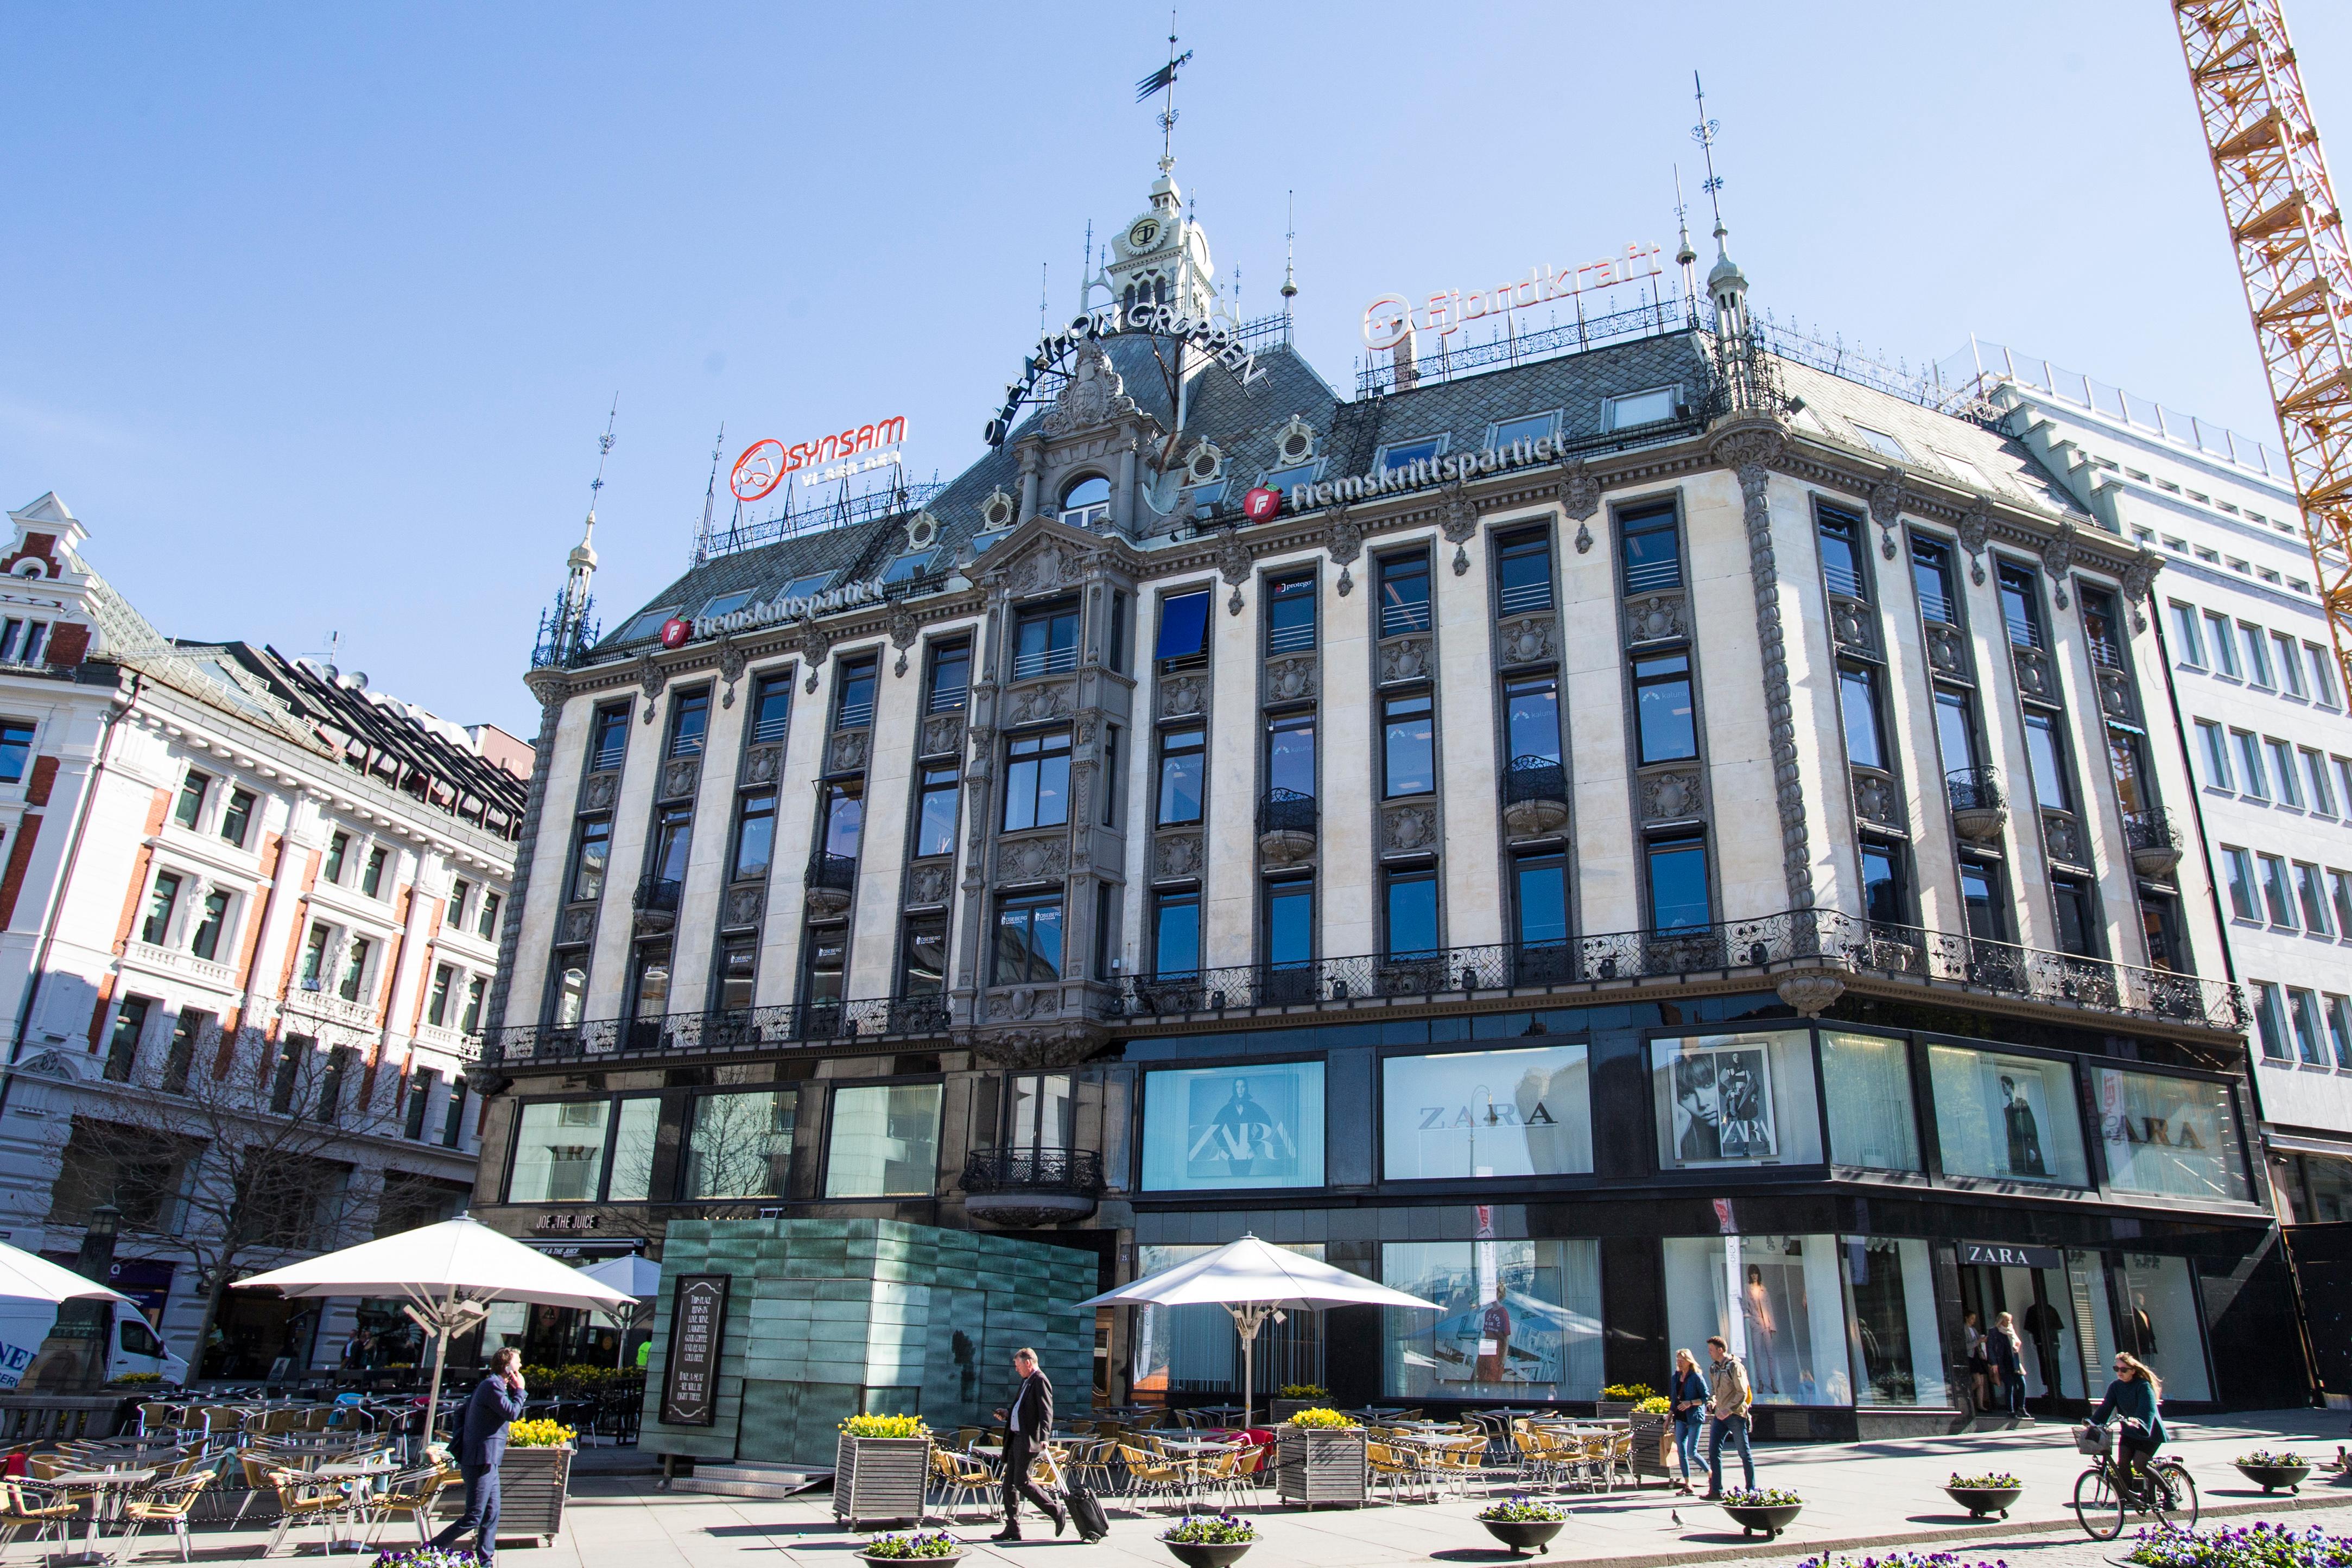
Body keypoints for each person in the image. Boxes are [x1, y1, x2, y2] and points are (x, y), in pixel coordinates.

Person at [434, 1347, 527, 1566]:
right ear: (507, 1366)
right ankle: (431, 1548)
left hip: (487, 1459)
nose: (521, 1366)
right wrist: (520, 1390)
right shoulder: (493, 1385)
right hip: (481, 1460)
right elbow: (512, 1413)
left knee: (492, 1513)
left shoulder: (493, 1385)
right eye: (518, 1361)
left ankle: (485, 1561)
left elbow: (460, 1413)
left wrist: (468, 1437)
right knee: (474, 1516)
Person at [989, 1347, 1064, 1542]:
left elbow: (1046, 1411)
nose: (1016, 1369)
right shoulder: (1026, 1381)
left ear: (1028, 1363)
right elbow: (1022, 1409)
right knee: (1008, 1485)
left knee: (1021, 1482)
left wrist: (1045, 1438)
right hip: (1015, 1438)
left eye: (1018, 1365)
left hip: (1027, 1440)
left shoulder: (1040, 1380)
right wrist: (1007, 1413)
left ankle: (1056, 1510)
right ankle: (1013, 1527)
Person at [2091, 1351, 2166, 1500]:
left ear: (2133, 1371)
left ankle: (2168, 1493)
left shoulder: (2143, 1386)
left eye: (2123, 1370)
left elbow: (2148, 1409)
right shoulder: (2115, 1387)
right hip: (2129, 1432)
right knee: (2123, 1463)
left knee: (2139, 1464)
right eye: (2116, 1369)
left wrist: (2139, 1421)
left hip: (2149, 1432)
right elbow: (2106, 1407)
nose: (2119, 1372)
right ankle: (2129, 1496)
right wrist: (2093, 1423)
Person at [1702, 1335, 1755, 1500]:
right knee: (1713, 1451)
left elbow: (1743, 1392)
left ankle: (1751, 1490)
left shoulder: (1735, 1367)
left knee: (1744, 1453)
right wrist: (1712, 1403)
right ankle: (1716, 1490)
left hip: (1735, 1415)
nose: (1709, 1353)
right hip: (1720, 1415)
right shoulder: (1714, 1368)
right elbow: (1714, 1391)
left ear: (1720, 1350)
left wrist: (1730, 1409)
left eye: (1711, 1350)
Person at [1668, 1348, 1709, 1494]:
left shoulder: (1696, 1377)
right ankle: (1688, 1484)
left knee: (1692, 1451)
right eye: (1678, 1359)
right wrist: (1668, 1419)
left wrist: (1690, 1403)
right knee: (1681, 1452)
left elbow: (1706, 1397)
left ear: (1688, 1361)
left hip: (1694, 1417)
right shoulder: (1676, 1377)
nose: (1679, 1362)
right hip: (1680, 1418)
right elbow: (1674, 1399)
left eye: (1682, 1360)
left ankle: (1710, 1473)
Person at [1989, 1311, 2026, 1416]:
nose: (2008, 1321)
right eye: (2006, 1319)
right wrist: (1994, 1363)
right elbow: (1990, 1348)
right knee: (2010, 1386)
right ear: (2001, 1320)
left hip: (2014, 1361)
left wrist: (2016, 1348)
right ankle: (2010, 1410)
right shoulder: (1994, 1332)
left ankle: (2021, 1407)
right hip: (2003, 1362)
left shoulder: (2011, 1330)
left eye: (2009, 1319)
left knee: (2022, 1384)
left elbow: (2017, 1342)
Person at [1963, 1311, 1990, 1410]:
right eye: (1972, 1318)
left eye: (1974, 1319)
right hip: (1971, 1356)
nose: (1974, 1321)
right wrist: (1978, 1341)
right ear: (1967, 1318)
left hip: (1978, 1355)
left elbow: (1978, 1342)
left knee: (1982, 1383)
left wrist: (1982, 1341)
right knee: (1978, 1382)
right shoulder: (1964, 1329)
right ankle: (1965, 1395)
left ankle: (1981, 1405)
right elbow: (1966, 1345)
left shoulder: (1974, 1329)